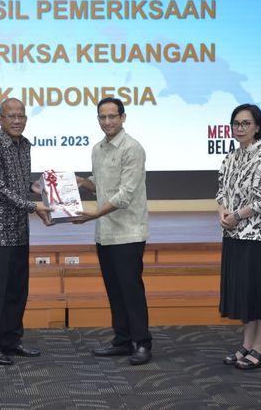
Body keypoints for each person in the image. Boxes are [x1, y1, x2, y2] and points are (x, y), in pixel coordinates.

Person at [75, 97, 153, 366]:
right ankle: (122, 340)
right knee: (115, 290)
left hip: (128, 233)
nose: (107, 121)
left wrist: (94, 213)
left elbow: (125, 194)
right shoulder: (98, 149)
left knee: (131, 290)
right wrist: (80, 182)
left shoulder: (133, 148)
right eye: (102, 117)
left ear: (123, 117)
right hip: (105, 233)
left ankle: (142, 343)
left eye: (112, 116)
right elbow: (102, 185)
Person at [0, 98, 52, 366]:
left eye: (21, 115)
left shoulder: (25, 145)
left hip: (19, 228)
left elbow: (18, 183)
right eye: (11, 116)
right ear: (0, 119)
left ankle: (11, 340)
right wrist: (33, 206)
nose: (17, 120)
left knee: (17, 289)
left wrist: (35, 187)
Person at [216, 103, 261, 370]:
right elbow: (222, 190)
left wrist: (236, 216)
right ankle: (247, 344)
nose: (240, 128)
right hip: (235, 235)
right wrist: (223, 211)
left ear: (258, 127)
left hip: (258, 236)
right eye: (236, 123)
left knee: (259, 293)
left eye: (246, 123)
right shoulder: (232, 157)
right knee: (245, 292)